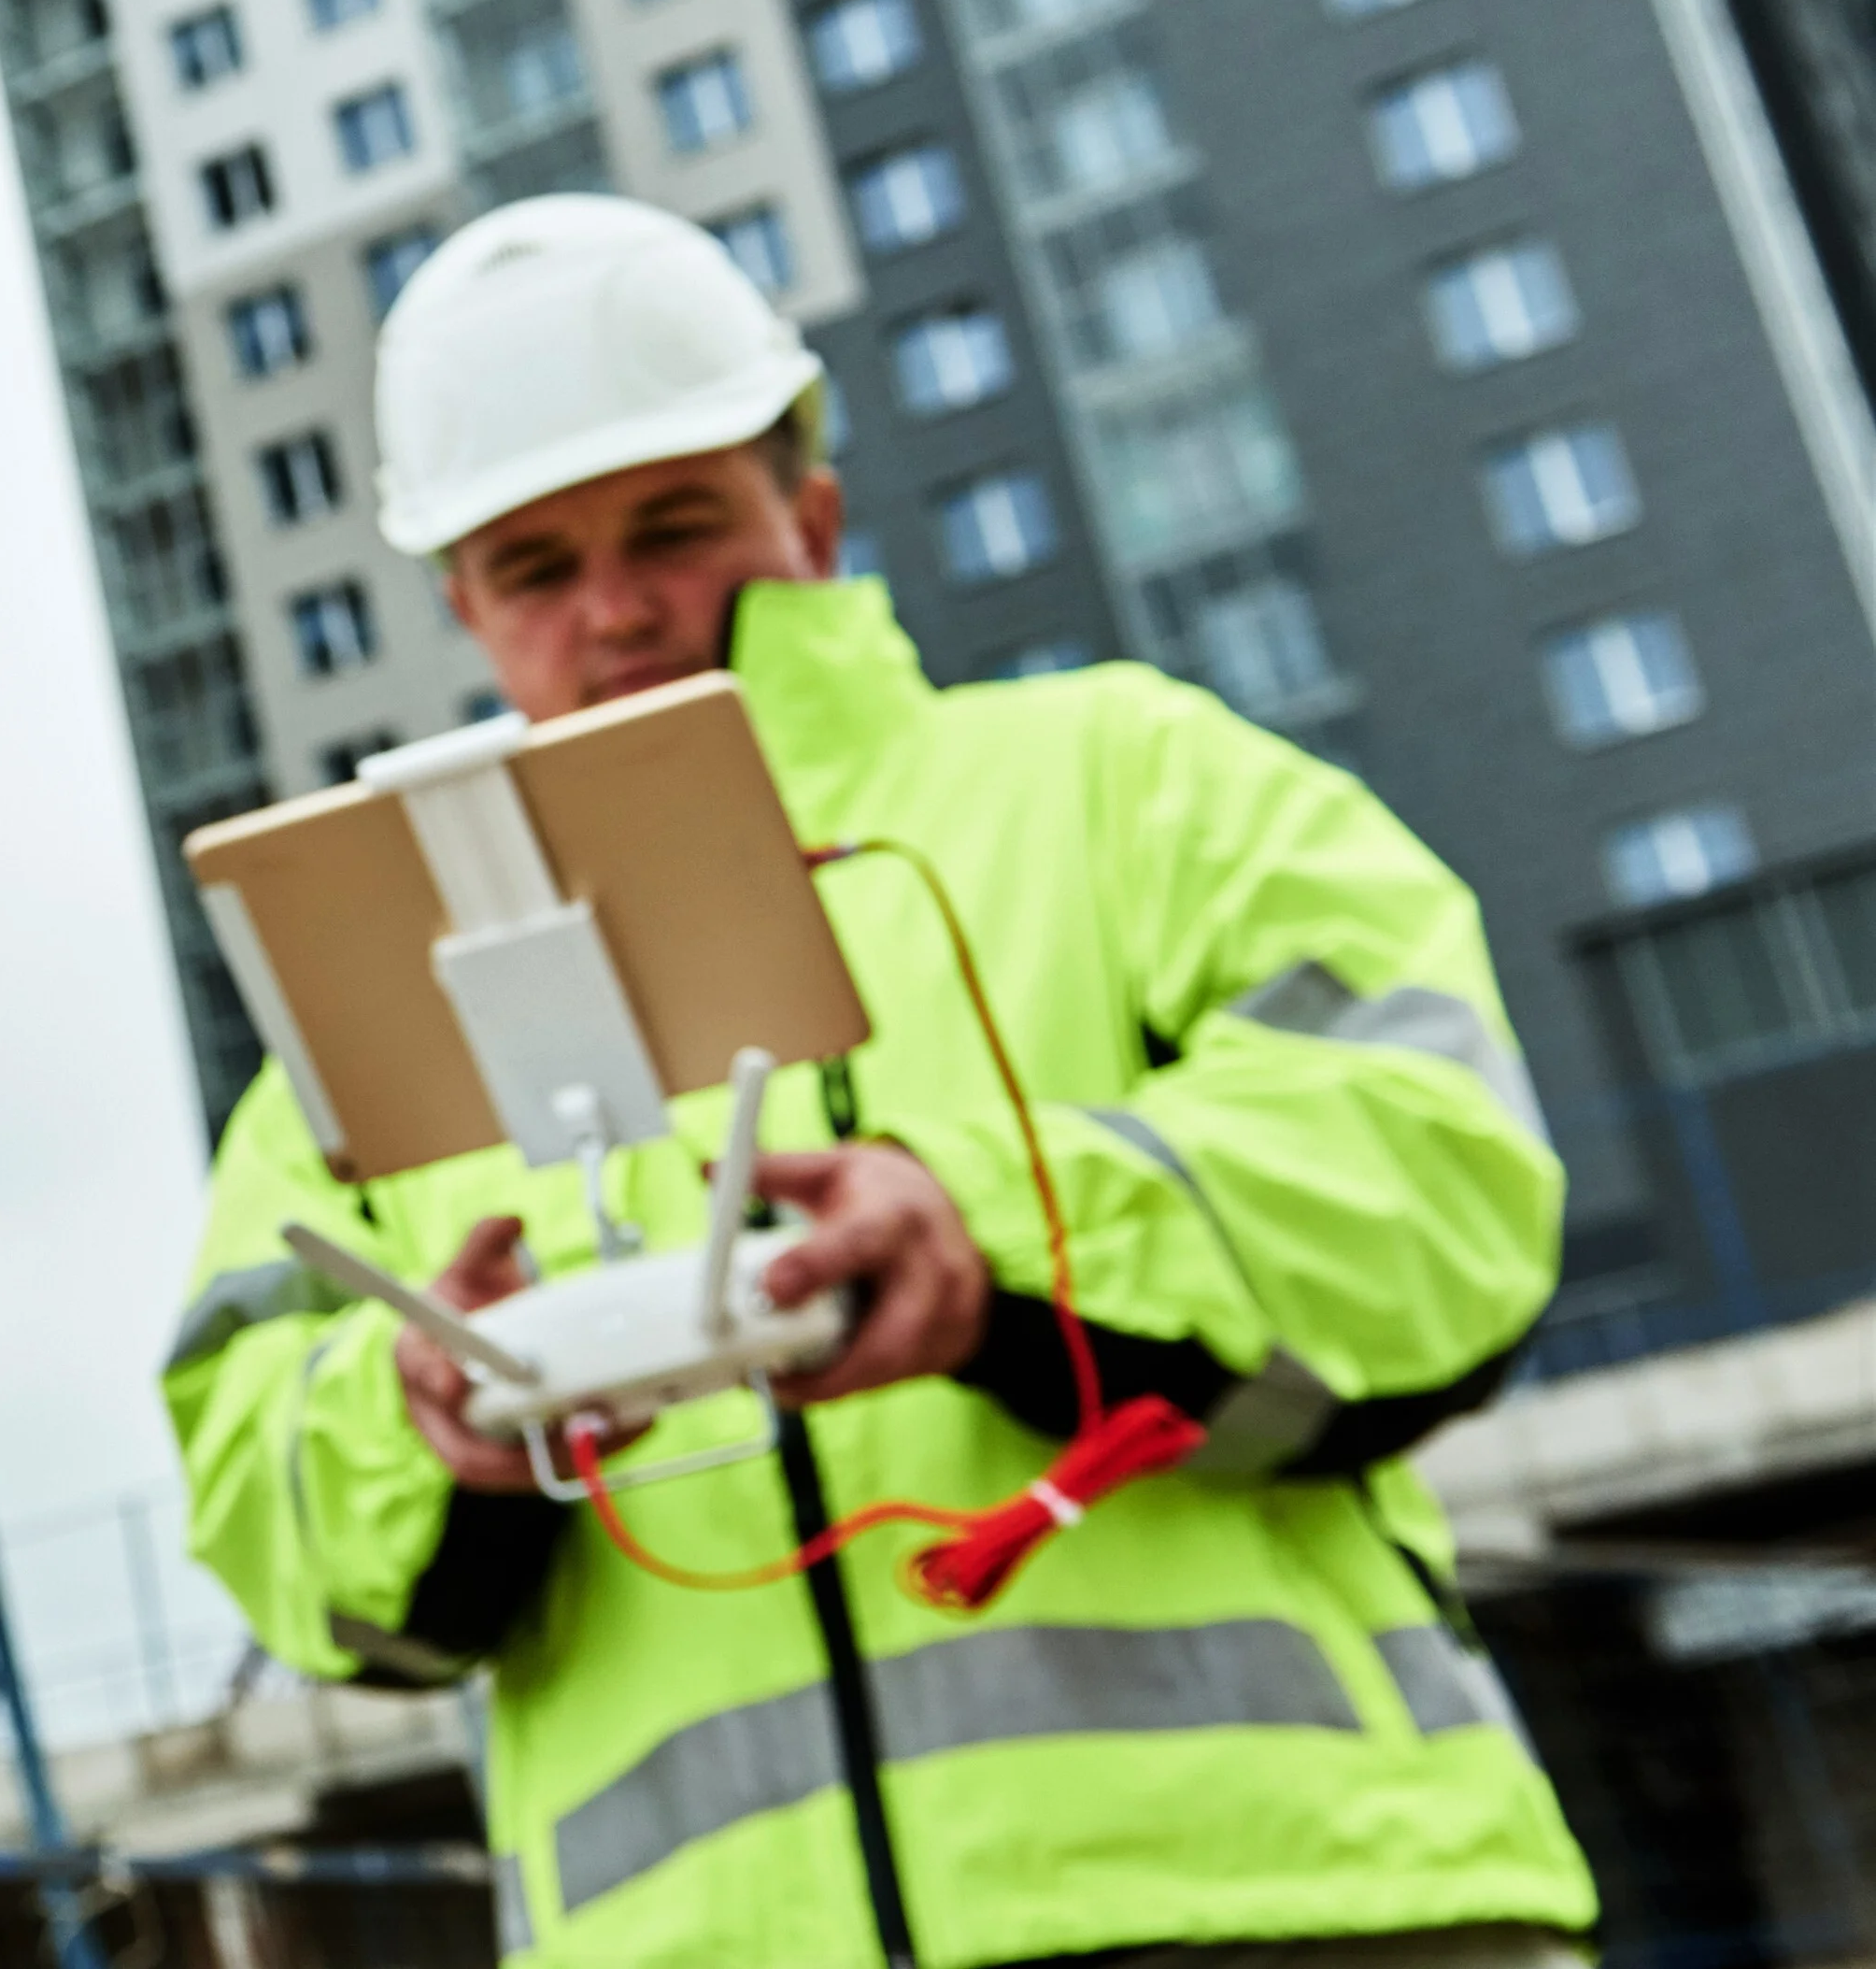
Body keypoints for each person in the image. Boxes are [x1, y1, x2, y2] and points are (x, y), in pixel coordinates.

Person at [162, 197, 1593, 1968]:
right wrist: (415, 1420)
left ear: (809, 517)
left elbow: (1439, 1163)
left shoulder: (1119, 778)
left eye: (670, 525)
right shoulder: (367, 989)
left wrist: (990, 1227)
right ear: (466, 609)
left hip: (1305, 1910)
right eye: (534, 566)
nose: (613, 606)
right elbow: (246, 1470)